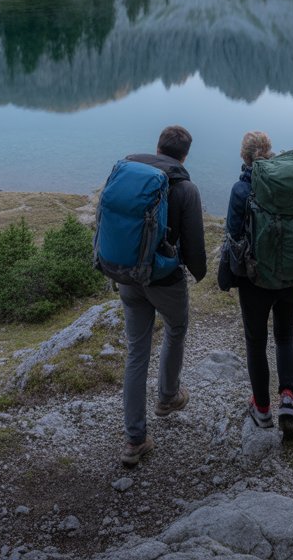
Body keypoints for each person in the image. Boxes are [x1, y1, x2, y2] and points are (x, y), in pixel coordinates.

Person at [118, 124, 206, 467]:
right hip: (164, 277)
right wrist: (198, 272)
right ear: (184, 155)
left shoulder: (132, 174)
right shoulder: (185, 188)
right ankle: (167, 396)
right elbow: (195, 244)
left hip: (127, 275)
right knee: (176, 327)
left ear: (158, 147)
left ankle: (134, 439)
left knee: (136, 352)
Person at [226, 130, 293, 440]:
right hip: (292, 276)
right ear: (269, 152)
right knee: (285, 336)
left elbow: (233, 233)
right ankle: (288, 400)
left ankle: (262, 409)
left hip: (255, 280)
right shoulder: (290, 182)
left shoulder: (242, 189)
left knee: (256, 342)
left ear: (244, 157)